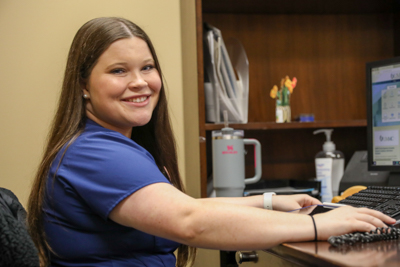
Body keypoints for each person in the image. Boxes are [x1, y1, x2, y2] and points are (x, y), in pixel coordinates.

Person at [27, 17, 395, 267]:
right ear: (82, 86)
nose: (140, 82)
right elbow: (191, 222)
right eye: (118, 70)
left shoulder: (106, 144)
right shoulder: (95, 153)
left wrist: (266, 201)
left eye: (148, 67)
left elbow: (179, 207)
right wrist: (322, 225)